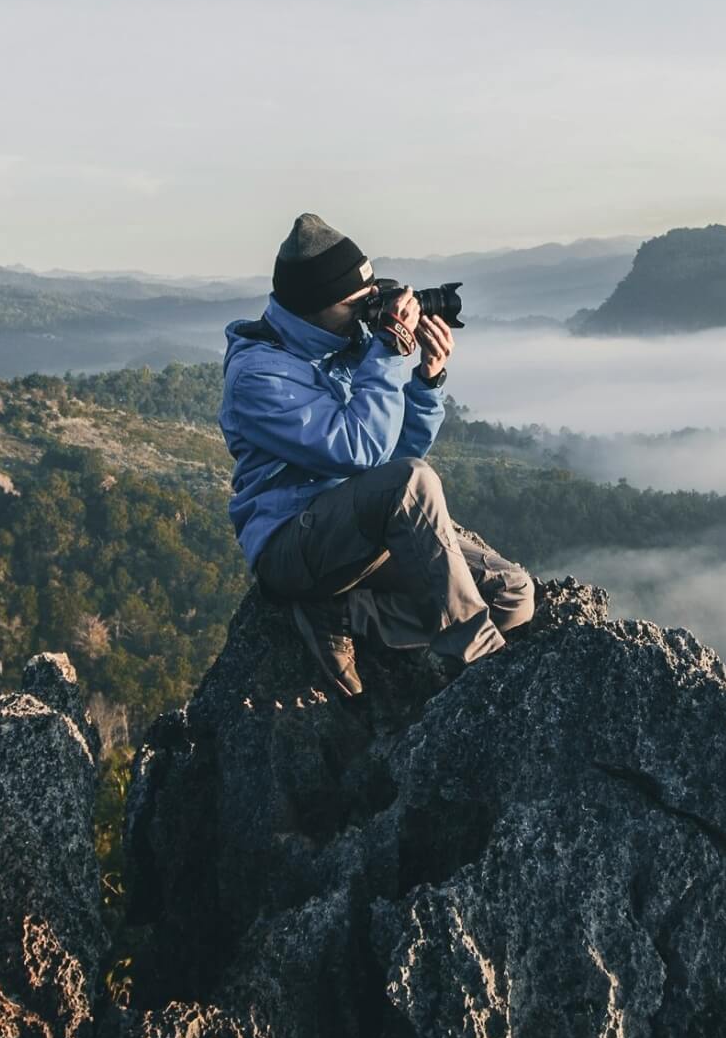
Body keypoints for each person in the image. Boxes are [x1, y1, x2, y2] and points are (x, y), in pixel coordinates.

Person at [218, 213, 534, 697]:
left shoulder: (346, 346)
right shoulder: (259, 376)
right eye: (356, 303)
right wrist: (386, 351)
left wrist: (427, 382)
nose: (368, 312)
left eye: (373, 297)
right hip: (293, 546)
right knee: (413, 481)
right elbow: (363, 452)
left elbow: (392, 459)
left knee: (512, 594)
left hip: (360, 533)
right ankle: (480, 669)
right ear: (313, 306)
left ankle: (346, 613)